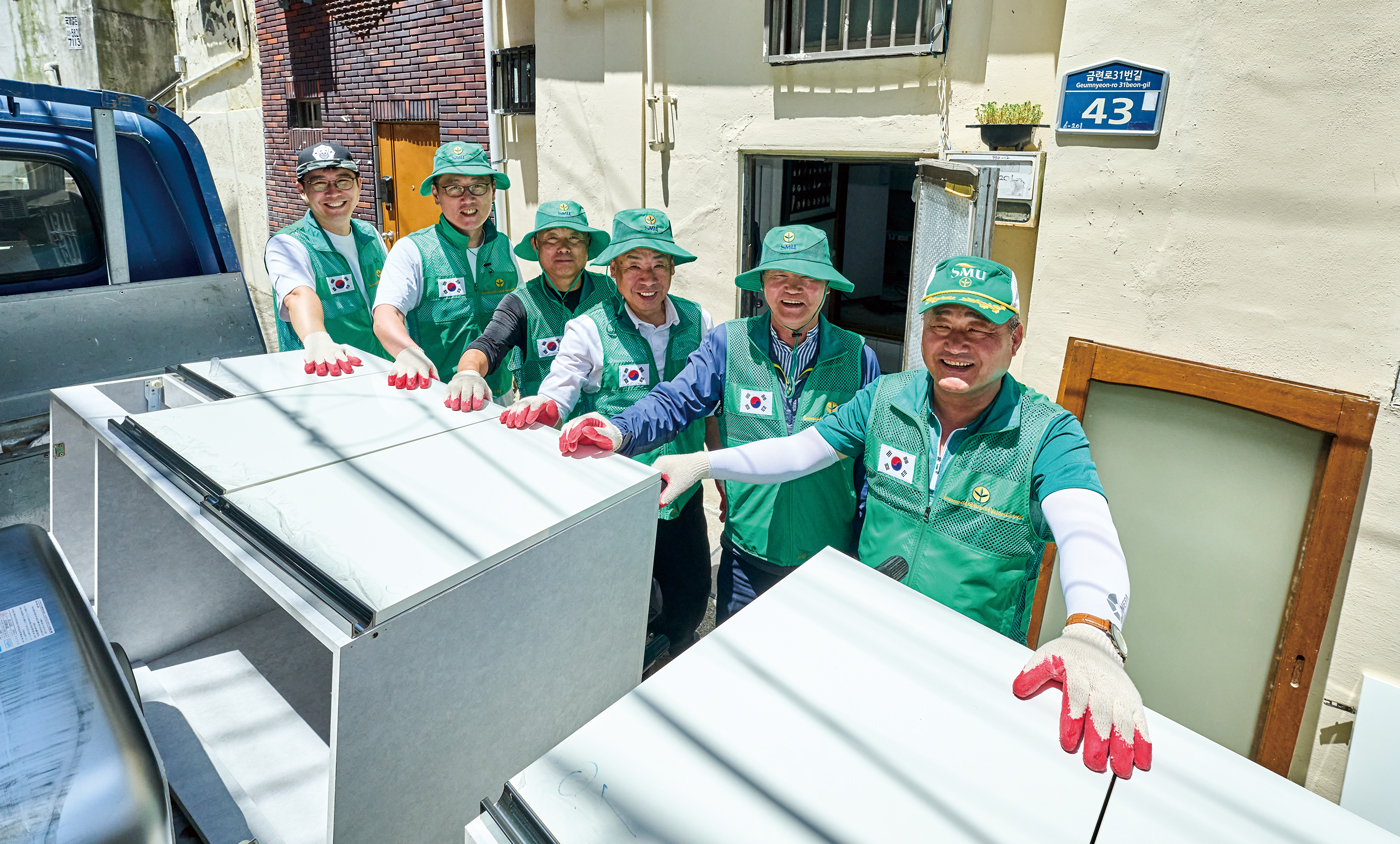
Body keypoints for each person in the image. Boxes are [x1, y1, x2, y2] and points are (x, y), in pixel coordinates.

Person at [647, 255, 1151, 779]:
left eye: (979, 329)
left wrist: (1093, 628)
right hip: (869, 645)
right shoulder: (887, 399)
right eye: (941, 326)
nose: (956, 344)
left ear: (1015, 338)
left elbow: (1086, 525)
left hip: (971, 672)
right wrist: (705, 462)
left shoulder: (1045, 433)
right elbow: (799, 452)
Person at [557, 225, 881, 624]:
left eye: (807, 279)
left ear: (827, 288)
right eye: (779, 277)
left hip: (828, 554)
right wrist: (621, 430)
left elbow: (869, 466)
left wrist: (862, 550)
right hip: (748, 557)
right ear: (762, 284)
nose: (792, 290)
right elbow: (674, 399)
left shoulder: (858, 356)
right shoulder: (730, 343)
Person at [501, 209, 714, 653]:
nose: (647, 278)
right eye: (633, 265)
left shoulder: (701, 322)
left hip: (683, 490)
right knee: (628, 605)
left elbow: (713, 409)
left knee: (690, 598)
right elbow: (558, 392)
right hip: (620, 495)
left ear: (673, 270)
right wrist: (541, 406)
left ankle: (676, 659)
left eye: (658, 265)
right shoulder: (588, 329)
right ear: (614, 271)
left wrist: (724, 482)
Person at [442, 201, 617, 412]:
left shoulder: (612, 292)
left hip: (607, 428)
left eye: (574, 238)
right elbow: (488, 344)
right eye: (552, 238)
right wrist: (468, 373)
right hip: (544, 430)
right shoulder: (520, 303)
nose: (564, 247)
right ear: (536, 245)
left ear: (587, 245)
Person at [372, 142, 518, 392]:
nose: (468, 197)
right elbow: (386, 315)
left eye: (478, 185)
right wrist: (408, 352)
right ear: (436, 195)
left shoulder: (505, 247)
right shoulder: (412, 250)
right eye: (453, 188)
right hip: (437, 395)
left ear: (493, 191)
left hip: (498, 394)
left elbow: (518, 318)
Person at [265, 141, 386, 376]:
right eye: (319, 183)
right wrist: (317, 338)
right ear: (302, 191)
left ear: (359, 185)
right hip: (328, 373)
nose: (333, 192)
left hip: (383, 369)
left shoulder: (370, 235)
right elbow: (298, 295)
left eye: (343, 181)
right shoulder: (288, 244)